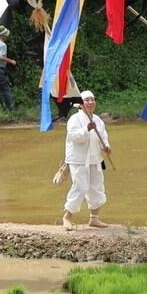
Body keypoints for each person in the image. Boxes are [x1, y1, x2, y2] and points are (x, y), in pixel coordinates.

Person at [63, 91, 111, 230]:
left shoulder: (98, 120)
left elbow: (103, 136)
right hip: (79, 159)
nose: (90, 102)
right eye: (87, 100)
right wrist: (87, 129)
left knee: (97, 186)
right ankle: (67, 217)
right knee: (80, 187)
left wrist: (106, 147)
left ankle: (94, 218)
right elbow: (76, 138)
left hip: (95, 158)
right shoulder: (74, 119)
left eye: (92, 99)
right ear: (81, 104)